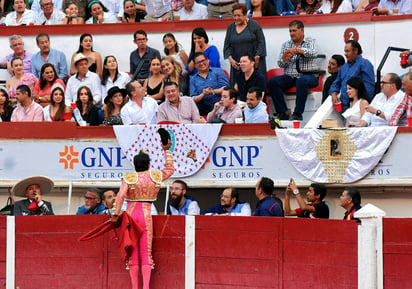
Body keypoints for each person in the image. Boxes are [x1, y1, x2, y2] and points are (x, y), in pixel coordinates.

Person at [110, 136, 175, 289]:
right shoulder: (155, 176)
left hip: (131, 214)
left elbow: (120, 196)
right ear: (149, 164)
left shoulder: (129, 177)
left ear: (135, 165)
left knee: (133, 254)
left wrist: (115, 214)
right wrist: (167, 152)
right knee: (146, 253)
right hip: (146, 213)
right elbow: (170, 169)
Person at [268, 20, 319, 121]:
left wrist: (297, 51)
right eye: (290, 31)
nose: (291, 33)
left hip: (308, 75)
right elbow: (280, 63)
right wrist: (285, 59)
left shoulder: (311, 41)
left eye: (294, 31)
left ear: (302, 30)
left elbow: (313, 53)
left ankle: (297, 113)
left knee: (302, 80)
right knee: (273, 82)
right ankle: (282, 112)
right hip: (290, 76)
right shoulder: (286, 44)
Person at [224, 3, 266, 86]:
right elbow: (226, 46)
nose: (236, 18)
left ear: (245, 14)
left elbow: (261, 42)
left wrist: (257, 56)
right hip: (237, 65)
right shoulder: (230, 27)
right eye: (234, 15)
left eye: (239, 15)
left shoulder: (254, 25)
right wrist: (231, 60)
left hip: (253, 64)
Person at [330, 40, 375, 112]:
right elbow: (336, 83)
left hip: (357, 107)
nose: (345, 54)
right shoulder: (344, 66)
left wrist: (361, 103)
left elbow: (369, 87)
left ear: (355, 51)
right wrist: (334, 93)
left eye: (347, 51)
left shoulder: (365, 64)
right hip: (344, 107)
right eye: (345, 51)